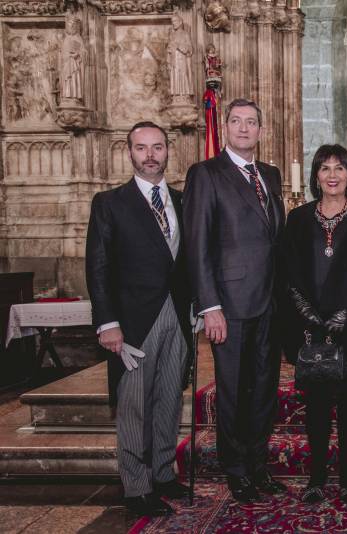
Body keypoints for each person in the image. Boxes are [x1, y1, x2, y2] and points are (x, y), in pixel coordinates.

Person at [183, 98, 286, 503]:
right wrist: (210, 306)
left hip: (269, 306)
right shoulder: (206, 174)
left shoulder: (271, 176)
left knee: (264, 391)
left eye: (252, 122)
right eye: (237, 121)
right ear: (225, 127)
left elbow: (273, 239)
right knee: (233, 393)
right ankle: (236, 470)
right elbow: (198, 245)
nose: (244, 128)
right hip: (229, 305)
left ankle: (259, 467)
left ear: (262, 130)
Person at [86, 121, 191, 516]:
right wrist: (106, 322)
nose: (151, 154)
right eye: (142, 147)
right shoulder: (110, 203)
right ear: (129, 152)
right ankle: (136, 486)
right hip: (133, 321)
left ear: (168, 150)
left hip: (177, 316)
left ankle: (163, 472)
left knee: (167, 400)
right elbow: (97, 266)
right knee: (134, 406)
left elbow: (187, 261)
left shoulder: (183, 200)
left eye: (158, 147)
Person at [281, 144, 347, 504]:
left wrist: (346, 313)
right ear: (316, 176)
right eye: (325, 168)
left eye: (340, 168)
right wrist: (307, 312)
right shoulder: (298, 217)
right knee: (318, 404)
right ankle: (317, 477)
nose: (333, 175)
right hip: (310, 328)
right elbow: (288, 271)